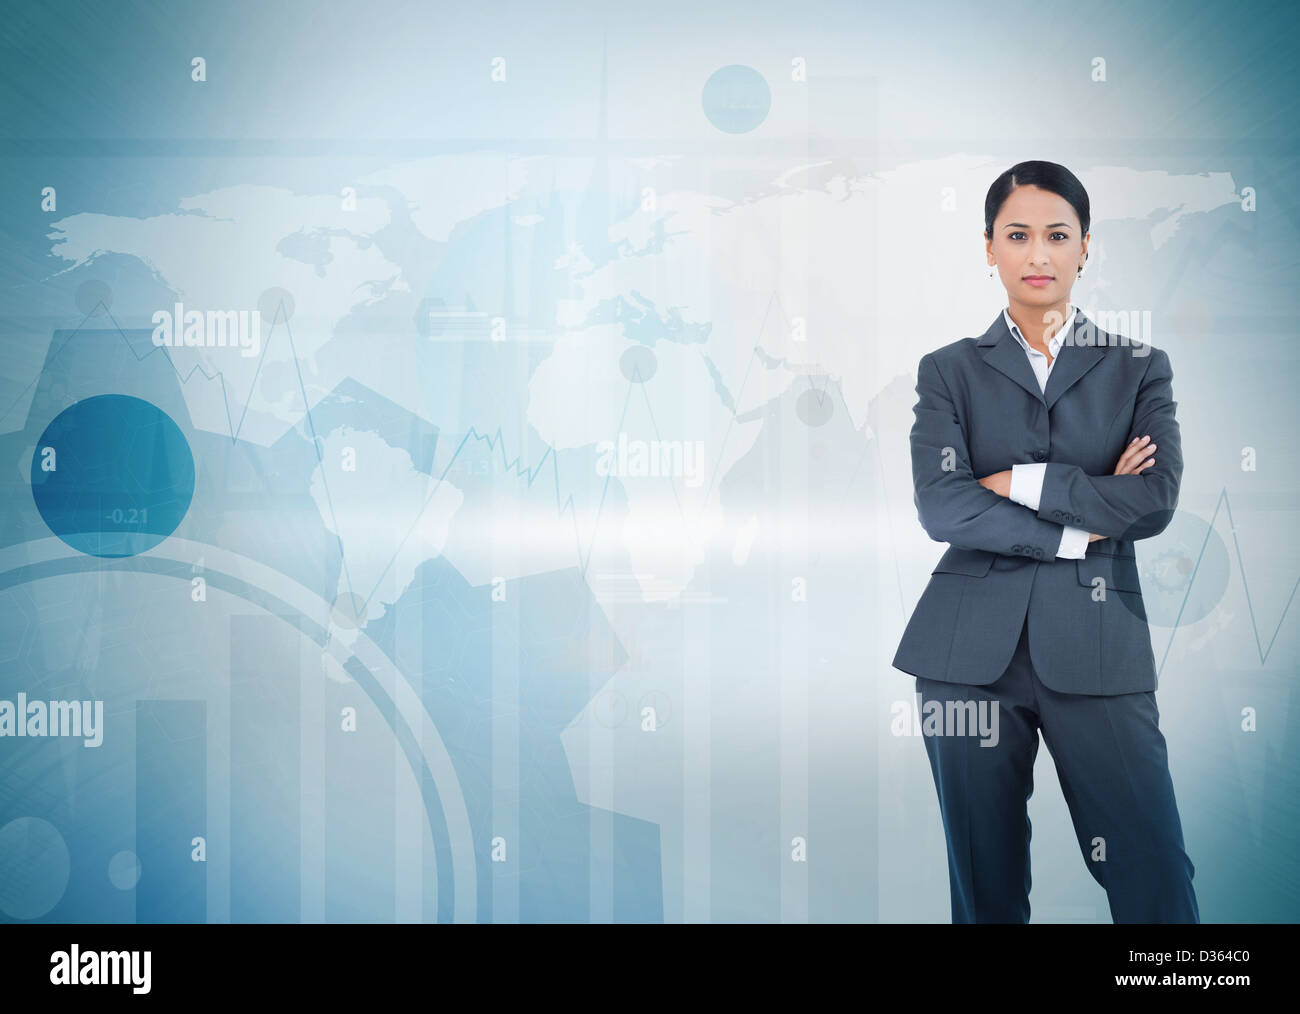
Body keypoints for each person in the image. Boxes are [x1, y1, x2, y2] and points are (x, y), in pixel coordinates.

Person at [891, 160, 1199, 923]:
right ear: (988, 247)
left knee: (1153, 872)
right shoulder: (949, 371)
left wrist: (1017, 483)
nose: (1038, 255)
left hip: (1099, 651)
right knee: (985, 890)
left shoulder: (1138, 369)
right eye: (1017, 235)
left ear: (1086, 247)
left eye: (1057, 236)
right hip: (964, 664)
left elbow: (1153, 500)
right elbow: (942, 507)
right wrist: (1078, 525)